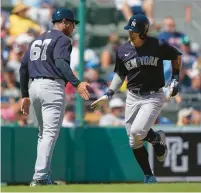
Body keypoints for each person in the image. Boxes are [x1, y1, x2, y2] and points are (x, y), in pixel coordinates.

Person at [91, 14, 182, 183]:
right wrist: (108, 93)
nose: (130, 33)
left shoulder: (157, 44)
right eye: (129, 30)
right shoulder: (123, 50)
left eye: (133, 30)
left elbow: (176, 56)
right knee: (133, 140)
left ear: (143, 32)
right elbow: (120, 74)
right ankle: (149, 175)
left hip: (153, 95)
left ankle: (155, 139)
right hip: (132, 96)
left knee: (137, 132)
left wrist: (175, 79)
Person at [19, 8, 91, 186]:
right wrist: (77, 83)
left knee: (43, 134)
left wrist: (24, 95)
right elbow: (60, 63)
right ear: (65, 22)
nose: (74, 27)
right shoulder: (62, 38)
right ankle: (41, 176)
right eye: (73, 23)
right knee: (49, 133)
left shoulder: (37, 39)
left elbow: (23, 67)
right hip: (51, 86)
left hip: (34, 86)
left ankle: (42, 174)